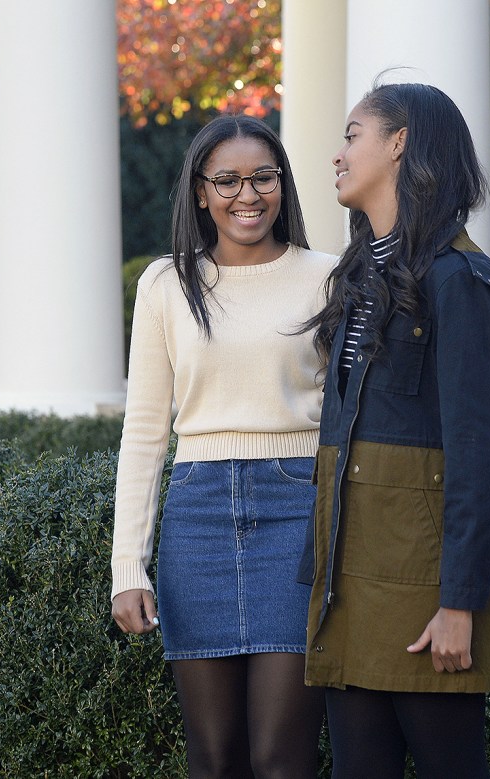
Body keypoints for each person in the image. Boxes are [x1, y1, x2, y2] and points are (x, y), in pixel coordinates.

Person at [300, 82, 490, 778]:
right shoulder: (360, 275)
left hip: (424, 592)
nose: (339, 155)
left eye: (353, 134)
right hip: (351, 579)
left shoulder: (462, 280)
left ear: (400, 143)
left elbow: (485, 455)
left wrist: (460, 603)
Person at [111, 114, 337, 778]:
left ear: (282, 184)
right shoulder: (165, 284)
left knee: (280, 759)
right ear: (201, 193)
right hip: (198, 518)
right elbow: (147, 432)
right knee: (212, 759)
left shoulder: (330, 277)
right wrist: (128, 564)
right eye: (229, 180)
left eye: (263, 177)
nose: (248, 195)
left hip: (297, 513)